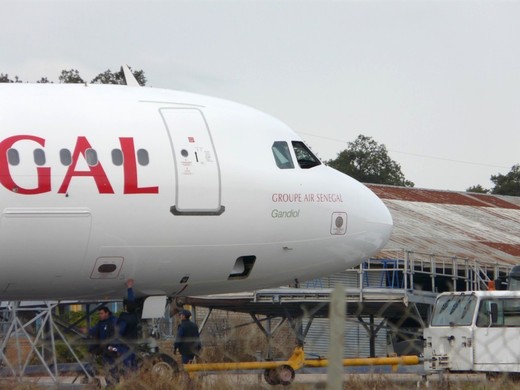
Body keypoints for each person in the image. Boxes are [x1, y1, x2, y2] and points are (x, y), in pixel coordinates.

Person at [89, 306, 119, 385]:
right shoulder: (101, 323)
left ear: (107, 313)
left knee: (112, 366)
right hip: (104, 349)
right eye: (99, 314)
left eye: (101, 313)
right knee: (106, 367)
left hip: (111, 348)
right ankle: (109, 384)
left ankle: (114, 383)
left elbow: (117, 334)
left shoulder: (114, 321)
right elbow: (93, 331)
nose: (100, 315)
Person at [117, 279, 139, 370]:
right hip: (133, 343)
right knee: (133, 363)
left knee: (127, 364)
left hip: (125, 344)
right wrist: (130, 288)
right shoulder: (135, 316)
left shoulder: (124, 318)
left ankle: (129, 380)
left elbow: (119, 331)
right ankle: (134, 380)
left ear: (125, 307)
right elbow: (131, 302)